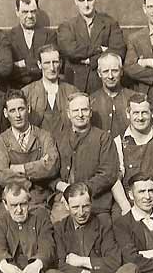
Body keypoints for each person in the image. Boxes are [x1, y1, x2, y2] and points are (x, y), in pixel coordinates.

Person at [51, 92, 119, 226]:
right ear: (69, 114)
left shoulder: (103, 138)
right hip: (64, 202)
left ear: (91, 112)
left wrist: (79, 192)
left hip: (95, 203)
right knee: (58, 228)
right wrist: (63, 187)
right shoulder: (58, 139)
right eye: (75, 110)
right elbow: (50, 172)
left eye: (84, 110)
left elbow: (108, 174)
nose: (80, 114)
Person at [111, 94, 153, 219]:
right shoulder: (118, 142)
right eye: (136, 113)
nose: (140, 118)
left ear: (152, 113)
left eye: (144, 113)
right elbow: (115, 179)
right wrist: (126, 209)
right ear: (128, 114)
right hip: (128, 202)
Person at [0, 89, 59, 208]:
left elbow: (51, 167)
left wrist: (21, 168)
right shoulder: (0, 141)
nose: (18, 115)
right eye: (12, 111)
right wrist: (31, 180)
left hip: (40, 199)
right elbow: (2, 175)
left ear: (28, 109)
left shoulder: (44, 136)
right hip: (12, 199)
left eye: (21, 109)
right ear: (5, 113)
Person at [58, 0, 126, 93]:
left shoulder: (110, 23)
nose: (86, 4)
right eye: (81, 0)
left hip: (102, 85)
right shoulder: (67, 26)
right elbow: (70, 50)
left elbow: (118, 51)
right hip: (74, 84)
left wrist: (90, 60)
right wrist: (99, 49)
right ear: (75, 0)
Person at [22, 44, 78, 141]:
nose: (52, 68)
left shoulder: (72, 91)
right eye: (47, 63)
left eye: (55, 62)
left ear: (60, 63)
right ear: (39, 64)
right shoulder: (27, 92)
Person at [7, 0, 57, 88]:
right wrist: (37, 63)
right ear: (17, 12)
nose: (30, 16)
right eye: (25, 12)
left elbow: (50, 64)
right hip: (17, 88)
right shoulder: (8, 37)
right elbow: (8, 68)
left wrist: (22, 63)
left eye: (33, 11)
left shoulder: (49, 35)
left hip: (43, 88)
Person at [89, 52, 137, 140]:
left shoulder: (134, 98)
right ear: (99, 73)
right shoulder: (91, 101)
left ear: (121, 72)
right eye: (105, 71)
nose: (110, 76)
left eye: (115, 71)